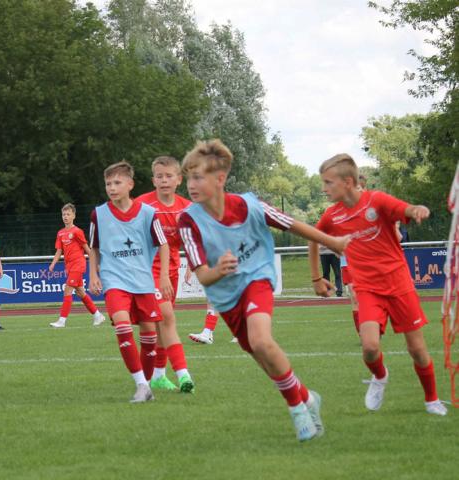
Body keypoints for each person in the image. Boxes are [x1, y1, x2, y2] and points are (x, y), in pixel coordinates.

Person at [178, 139, 349, 441]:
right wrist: (218, 270)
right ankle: (308, 398)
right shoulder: (188, 220)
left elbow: (293, 224)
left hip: (257, 277)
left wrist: (333, 242)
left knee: (261, 340)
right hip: (225, 296)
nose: (191, 185)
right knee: (262, 356)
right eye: (189, 177)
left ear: (220, 179)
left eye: (198, 177)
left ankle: (297, 409)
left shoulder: (250, 206)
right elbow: (203, 275)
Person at [309, 153, 447, 416]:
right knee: (370, 347)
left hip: (399, 285)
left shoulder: (377, 200)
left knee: (417, 349)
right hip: (367, 289)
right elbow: (313, 238)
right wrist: (316, 278)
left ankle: (432, 400)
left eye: (328, 182)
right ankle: (380, 376)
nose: (324, 189)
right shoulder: (332, 215)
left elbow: (406, 209)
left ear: (348, 182)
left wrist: (417, 209)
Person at [89, 160, 173, 403]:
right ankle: (141, 384)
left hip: (143, 281)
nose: (112, 188)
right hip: (114, 279)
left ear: (130, 185)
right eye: (108, 183)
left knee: (149, 336)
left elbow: (163, 244)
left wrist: (164, 276)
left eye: (117, 182)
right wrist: (93, 274)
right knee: (122, 326)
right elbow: (93, 247)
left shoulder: (148, 213)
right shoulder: (98, 214)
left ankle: (146, 386)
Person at [136, 156, 196, 392]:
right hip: (148, 271)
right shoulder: (142, 206)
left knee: (161, 324)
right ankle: (183, 375)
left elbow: (192, 241)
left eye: (169, 176)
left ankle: (158, 375)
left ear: (179, 179)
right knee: (167, 318)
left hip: (171, 271)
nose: (164, 180)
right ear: (153, 180)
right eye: (159, 176)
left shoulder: (187, 208)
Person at [48, 203, 105, 328]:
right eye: (64, 214)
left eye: (68, 214)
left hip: (78, 265)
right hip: (69, 266)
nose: (65, 217)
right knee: (80, 293)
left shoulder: (77, 232)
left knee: (67, 289)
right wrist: (52, 264)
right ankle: (98, 315)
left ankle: (62, 321)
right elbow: (59, 251)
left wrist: (95, 264)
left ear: (73, 215)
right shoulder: (60, 233)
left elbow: (87, 249)